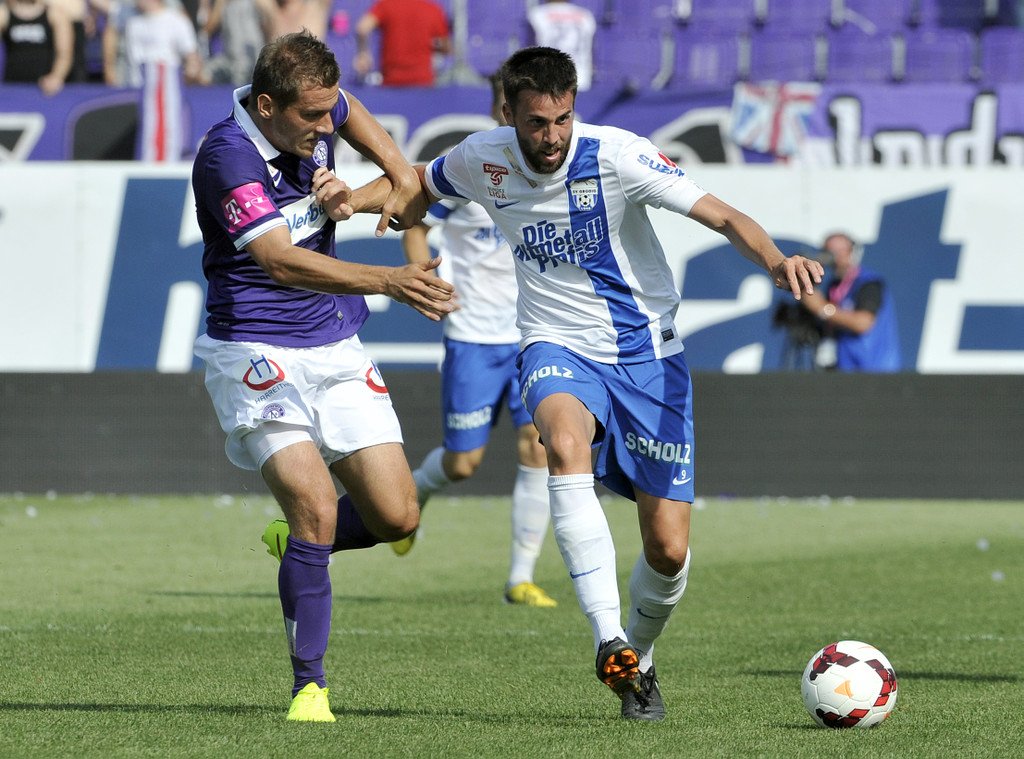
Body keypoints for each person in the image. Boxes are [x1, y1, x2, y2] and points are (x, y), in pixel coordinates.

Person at [348, 46, 824, 721]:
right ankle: (607, 636)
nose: (552, 137)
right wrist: (343, 200)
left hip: (649, 356)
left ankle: (640, 659)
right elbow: (415, 184)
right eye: (536, 122)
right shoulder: (483, 157)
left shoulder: (620, 156)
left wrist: (774, 259)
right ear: (508, 112)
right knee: (561, 445)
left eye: (562, 120)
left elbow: (722, 215)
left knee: (668, 550)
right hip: (555, 344)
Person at [191, 30, 454, 722]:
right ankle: (310, 686)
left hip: (334, 344)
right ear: (268, 105)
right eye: (310, 116)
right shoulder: (228, 155)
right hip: (254, 350)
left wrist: (393, 171)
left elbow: (348, 110)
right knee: (313, 503)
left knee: (397, 515)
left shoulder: (313, 105)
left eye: (326, 110)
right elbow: (278, 260)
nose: (324, 125)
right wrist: (389, 280)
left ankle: (301, 544)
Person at [394, 75, 557, 609]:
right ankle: (416, 493)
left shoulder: (553, 167)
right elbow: (413, 219)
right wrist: (423, 277)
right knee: (464, 463)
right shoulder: (469, 168)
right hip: (474, 337)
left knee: (538, 446)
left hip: (534, 335)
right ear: (501, 109)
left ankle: (520, 578)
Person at [798, 231, 902, 372]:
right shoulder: (833, 286)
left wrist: (822, 309)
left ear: (853, 252)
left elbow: (863, 323)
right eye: (830, 252)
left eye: (841, 251)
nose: (836, 257)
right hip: (846, 368)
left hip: (873, 370)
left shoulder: (868, 283)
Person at [107, 0, 205, 87]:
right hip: (134, 89)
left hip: (165, 91)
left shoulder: (177, 21)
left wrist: (185, 77)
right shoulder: (131, 21)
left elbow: (192, 59)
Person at [353, 0, 450, 86]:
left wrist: (363, 54)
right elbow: (445, 47)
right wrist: (426, 46)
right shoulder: (433, 9)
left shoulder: (386, 5)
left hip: (392, 80)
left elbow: (363, 28)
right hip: (422, 80)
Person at [1, 0, 74, 95]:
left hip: (44, 88)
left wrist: (56, 76)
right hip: (13, 87)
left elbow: (64, 53)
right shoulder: (4, 14)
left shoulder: (54, 14)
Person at [526, 0, 595, 90]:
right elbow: (592, 49)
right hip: (580, 77)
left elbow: (528, 51)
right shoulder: (586, 15)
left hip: (548, 79)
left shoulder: (537, 14)